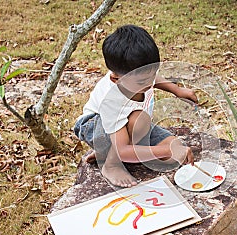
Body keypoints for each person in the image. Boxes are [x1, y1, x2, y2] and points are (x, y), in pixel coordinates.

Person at [74, 25, 198, 188]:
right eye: (142, 81)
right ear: (116, 79)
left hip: (131, 122)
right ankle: (111, 164)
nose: (149, 82)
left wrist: (177, 90)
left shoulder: (140, 74)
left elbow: (152, 78)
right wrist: (165, 150)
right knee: (140, 123)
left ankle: (106, 150)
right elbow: (123, 150)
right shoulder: (111, 100)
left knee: (174, 150)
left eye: (152, 74)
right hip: (93, 125)